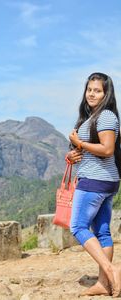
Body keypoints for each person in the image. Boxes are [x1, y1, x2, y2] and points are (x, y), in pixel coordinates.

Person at [67, 72, 121, 297]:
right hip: (104, 181)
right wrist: (73, 154)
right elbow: (89, 151)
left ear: (106, 93)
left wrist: (79, 142)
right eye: (89, 89)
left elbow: (107, 149)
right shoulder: (90, 117)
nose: (91, 93)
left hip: (94, 181)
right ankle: (104, 284)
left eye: (97, 90)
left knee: (78, 227)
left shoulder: (106, 116)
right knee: (102, 231)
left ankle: (111, 271)